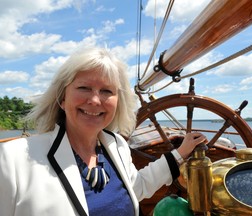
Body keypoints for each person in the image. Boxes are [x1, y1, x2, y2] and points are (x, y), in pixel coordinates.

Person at [0, 47, 207, 216]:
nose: (95, 100)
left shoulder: (116, 145)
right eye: (84, 88)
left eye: (107, 91)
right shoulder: (12, 160)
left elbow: (136, 187)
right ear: (62, 98)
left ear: (118, 102)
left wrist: (180, 153)